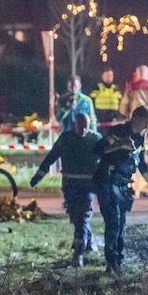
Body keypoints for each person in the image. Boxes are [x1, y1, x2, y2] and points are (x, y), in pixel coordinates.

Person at [94, 106, 148, 277]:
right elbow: (97, 150)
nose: (147, 125)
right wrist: (119, 145)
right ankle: (111, 263)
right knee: (113, 223)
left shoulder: (140, 138)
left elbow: (141, 163)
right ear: (137, 118)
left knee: (121, 224)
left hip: (123, 185)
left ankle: (119, 262)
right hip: (107, 181)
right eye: (146, 121)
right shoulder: (117, 131)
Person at [30, 112, 102, 267]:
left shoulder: (95, 139)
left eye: (86, 127)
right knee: (76, 218)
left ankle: (78, 254)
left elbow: (106, 159)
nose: (83, 131)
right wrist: (38, 176)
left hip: (88, 186)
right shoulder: (66, 139)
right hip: (70, 186)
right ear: (74, 125)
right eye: (80, 126)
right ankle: (89, 241)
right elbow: (51, 157)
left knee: (82, 218)